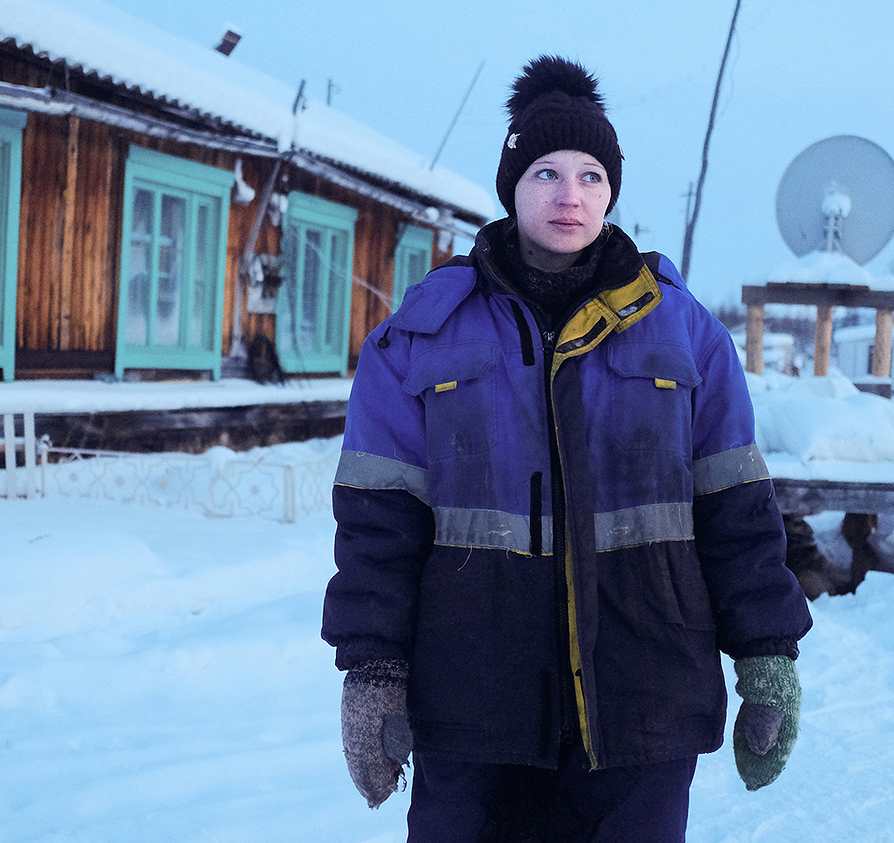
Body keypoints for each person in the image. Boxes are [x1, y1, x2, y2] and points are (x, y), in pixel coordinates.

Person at [322, 55, 812, 842]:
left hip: (642, 698)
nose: (569, 195)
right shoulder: (420, 336)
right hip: (472, 699)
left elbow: (737, 509)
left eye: (590, 174)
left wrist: (767, 651)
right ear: (511, 183)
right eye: (546, 172)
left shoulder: (685, 331)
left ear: (613, 189)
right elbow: (378, 525)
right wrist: (372, 668)